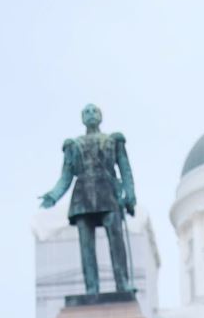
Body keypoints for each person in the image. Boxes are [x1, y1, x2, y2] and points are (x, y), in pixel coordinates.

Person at [39, 103, 135, 296]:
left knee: (116, 239)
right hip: (82, 197)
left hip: (108, 194)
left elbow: (125, 170)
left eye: (94, 111)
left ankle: (122, 284)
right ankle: (91, 288)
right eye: (87, 112)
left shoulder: (113, 140)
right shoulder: (73, 145)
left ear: (100, 116)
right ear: (83, 118)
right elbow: (66, 176)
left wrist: (130, 195)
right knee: (86, 245)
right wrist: (53, 195)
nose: (91, 114)